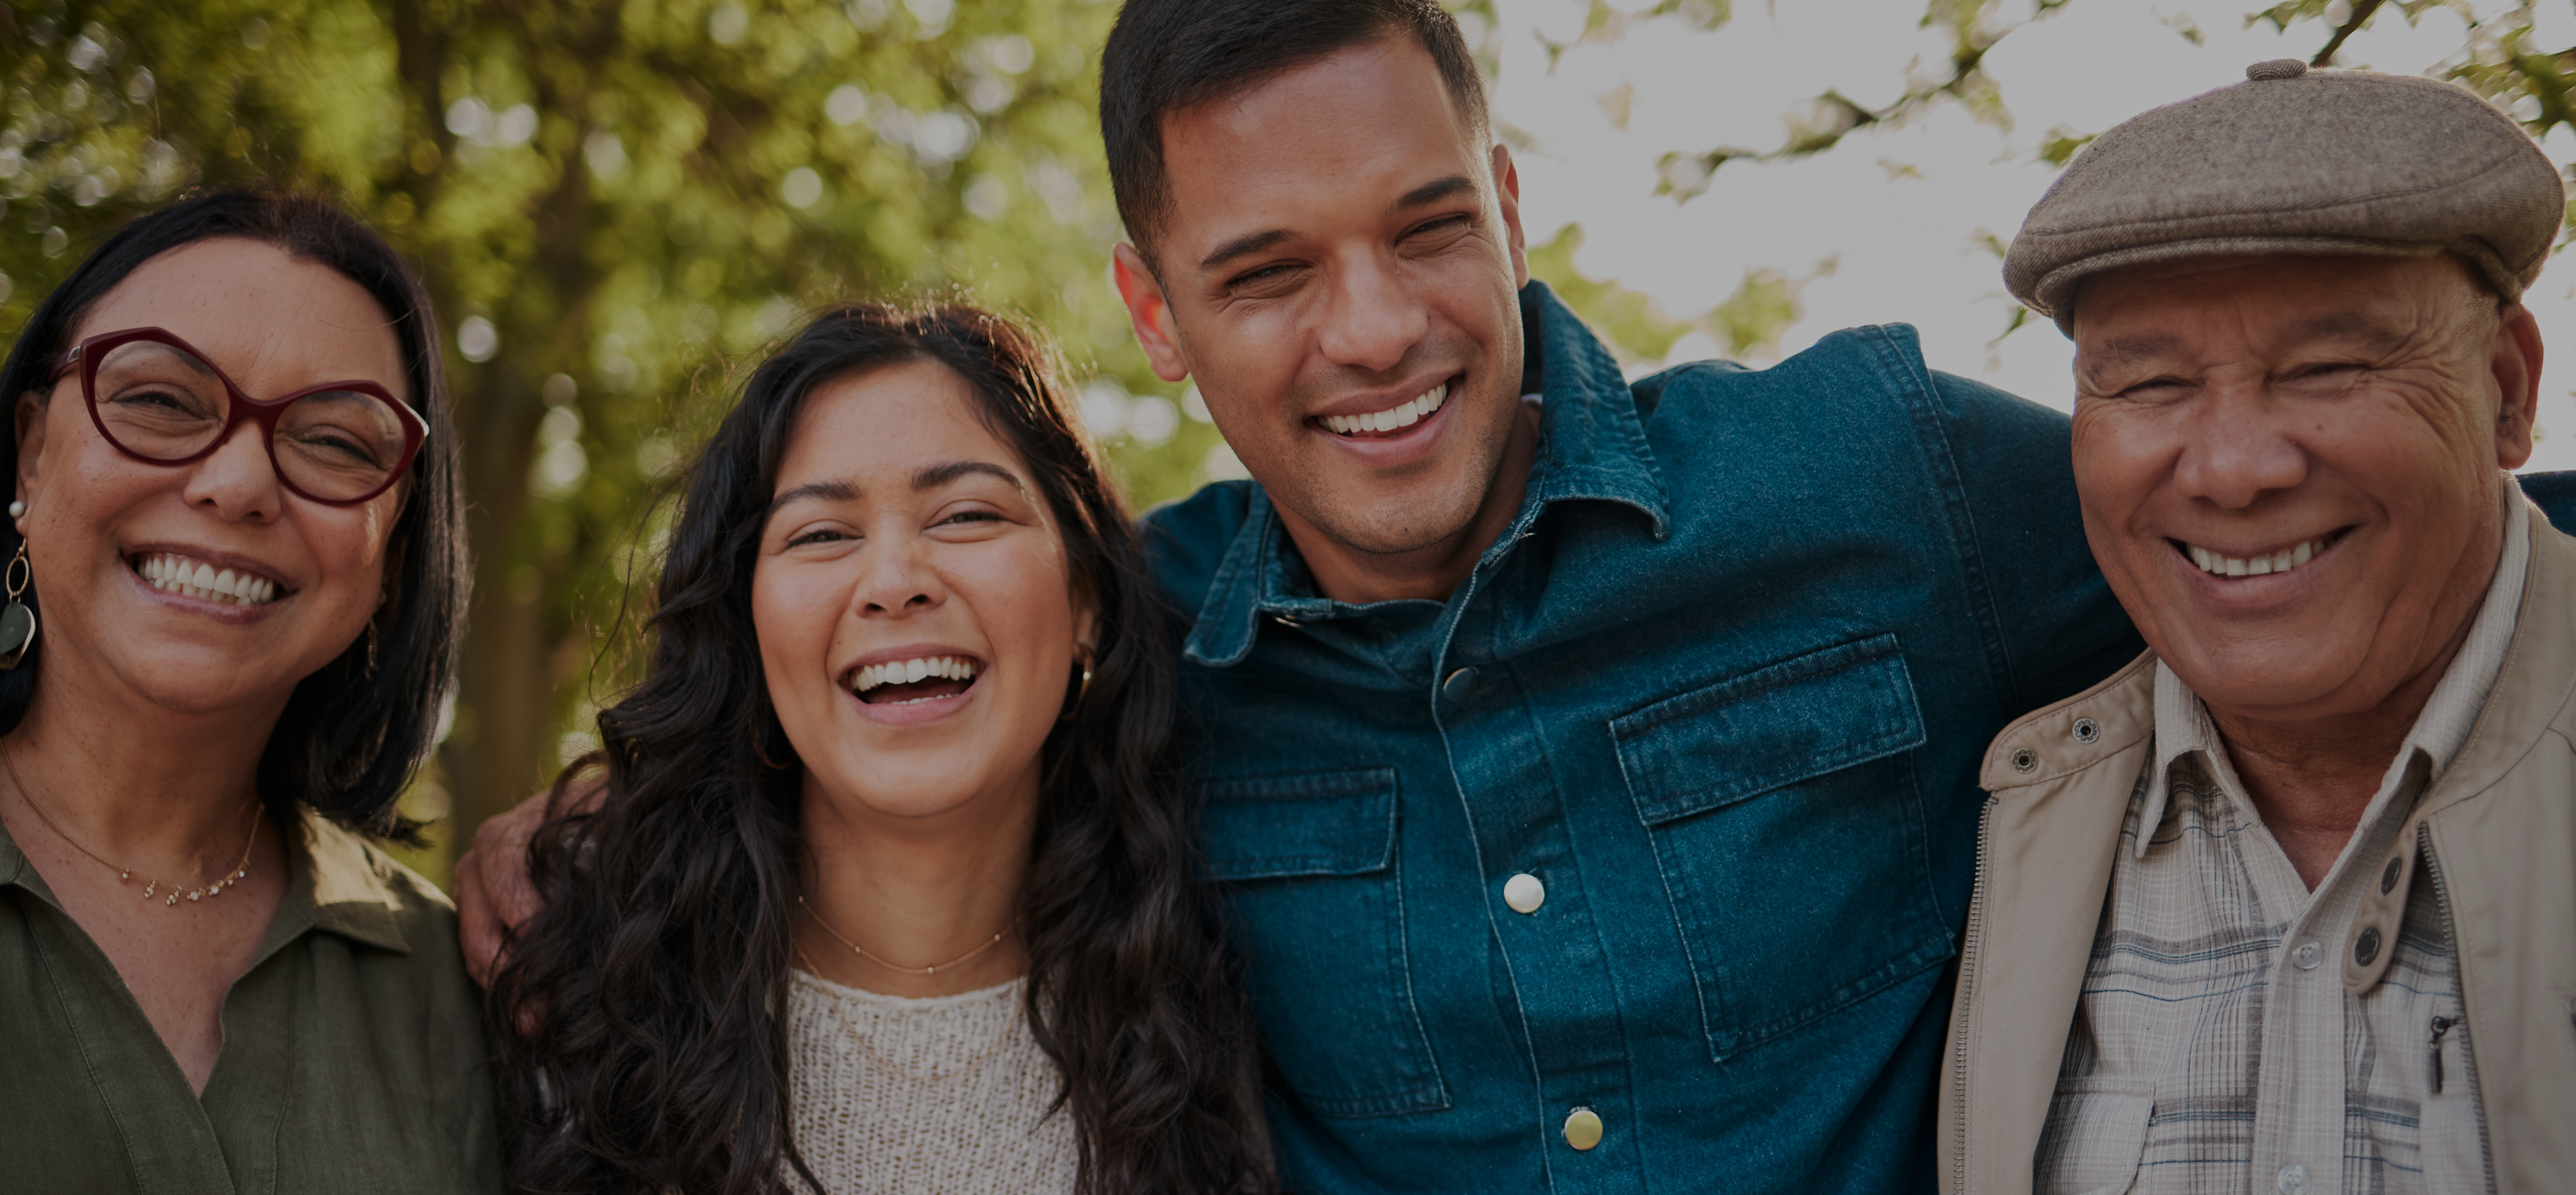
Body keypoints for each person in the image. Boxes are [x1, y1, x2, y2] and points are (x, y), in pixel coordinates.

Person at [459, 4, 2576, 1190]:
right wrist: (593, 817)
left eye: (1421, 231)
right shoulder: (1139, 645)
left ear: (1510, 209)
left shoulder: (1876, 481)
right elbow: (880, 707)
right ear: (1158, 311)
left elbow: (2338, 518)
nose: (1372, 331)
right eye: (1270, 275)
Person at [1942, 61, 2576, 1195]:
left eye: (2329, 367)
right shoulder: (1996, 813)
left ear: (2508, 391)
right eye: (2146, 384)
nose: (2232, 472)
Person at [482, 304, 1274, 1195]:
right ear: (745, 626)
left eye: (968, 515)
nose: (895, 583)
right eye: (821, 534)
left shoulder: (1238, 997)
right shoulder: (552, 995)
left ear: (1086, 603)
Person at [0, 190, 488, 1190]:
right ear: (32, 454)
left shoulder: (460, 980)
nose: (237, 482)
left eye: (338, 443)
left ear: (393, 552)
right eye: (161, 400)